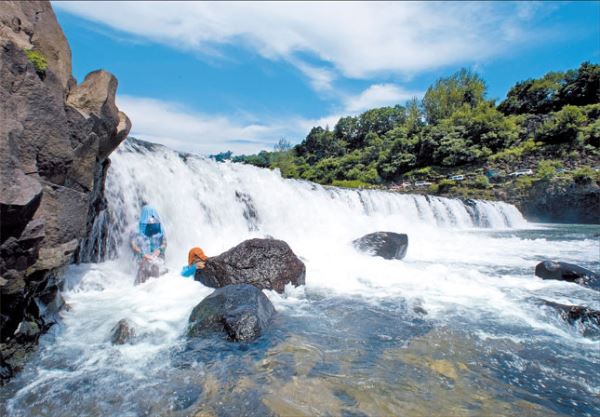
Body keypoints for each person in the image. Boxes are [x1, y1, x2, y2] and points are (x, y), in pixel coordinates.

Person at [130, 205, 167, 285]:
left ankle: (155, 288)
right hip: (142, 258)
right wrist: (143, 255)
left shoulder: (159, 227)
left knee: (155, 265)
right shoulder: (135, 229)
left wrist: (159, 250)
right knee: (145, 265)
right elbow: (133, 245)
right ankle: (139, 289)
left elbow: (164, 243)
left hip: (157, 257)